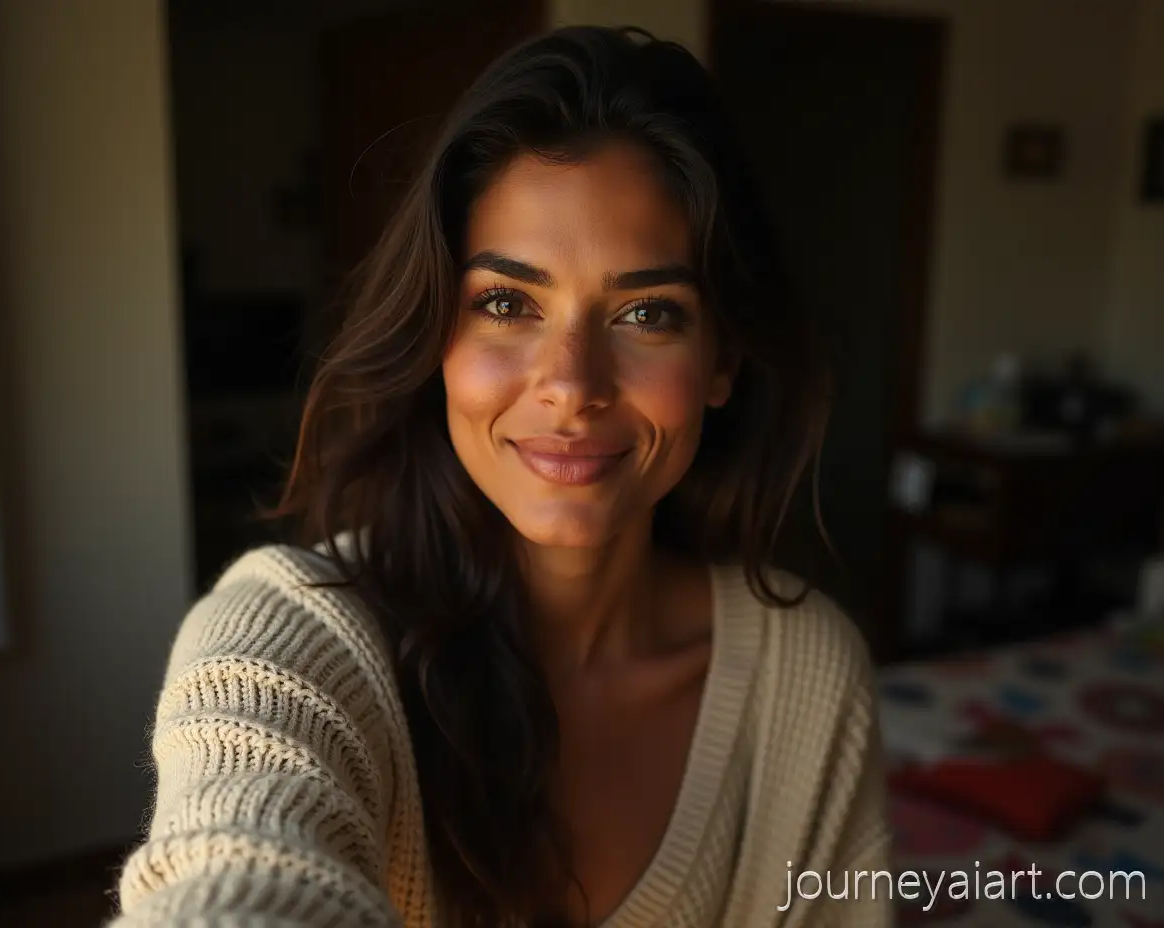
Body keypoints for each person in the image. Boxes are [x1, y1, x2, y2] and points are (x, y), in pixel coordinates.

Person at [113, 25, 891, 928]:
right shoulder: (285, 637)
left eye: (647, 311)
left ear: (721, 362)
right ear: (434, 338)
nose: (571, 386)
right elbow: (235, 858)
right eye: (506, 302)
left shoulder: (811, 677)